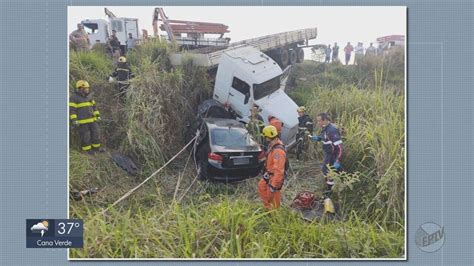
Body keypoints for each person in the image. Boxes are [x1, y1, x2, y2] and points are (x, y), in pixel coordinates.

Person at [309, 113, 343, 192]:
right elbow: (325, 137)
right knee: (326, 171)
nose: (318, 123)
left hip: (333, 155)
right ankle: (330, 188)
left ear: (324, 120)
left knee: (330, 172)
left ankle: (331, 190)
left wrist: (337, 160)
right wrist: (318, 138)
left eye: (319, 121)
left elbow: (340, 148)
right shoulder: (325, 128)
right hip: (328, 154)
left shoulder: (332, 130)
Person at [69, 80, 103, 154]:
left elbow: (94, 107)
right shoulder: (74, 97)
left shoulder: (89, 97)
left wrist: (97, 116)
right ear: (80, 88)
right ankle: (87, 150)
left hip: (92, 120)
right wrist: (74, 119)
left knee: (96, 133)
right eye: (85, 88)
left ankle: (96, 148)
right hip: (82, 122)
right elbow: (72, 110)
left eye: (88, 88)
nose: (87, 90)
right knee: (85, 136)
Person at [258, 125, 287, 210]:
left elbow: (279, 170)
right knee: (261, 186)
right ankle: (267, 208)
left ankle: (275, 214)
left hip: (275, 177)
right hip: (269, 174)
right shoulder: (273, 145)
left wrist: (274, 185)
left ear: (267, 137)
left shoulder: (278, 151)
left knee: (274, 196)